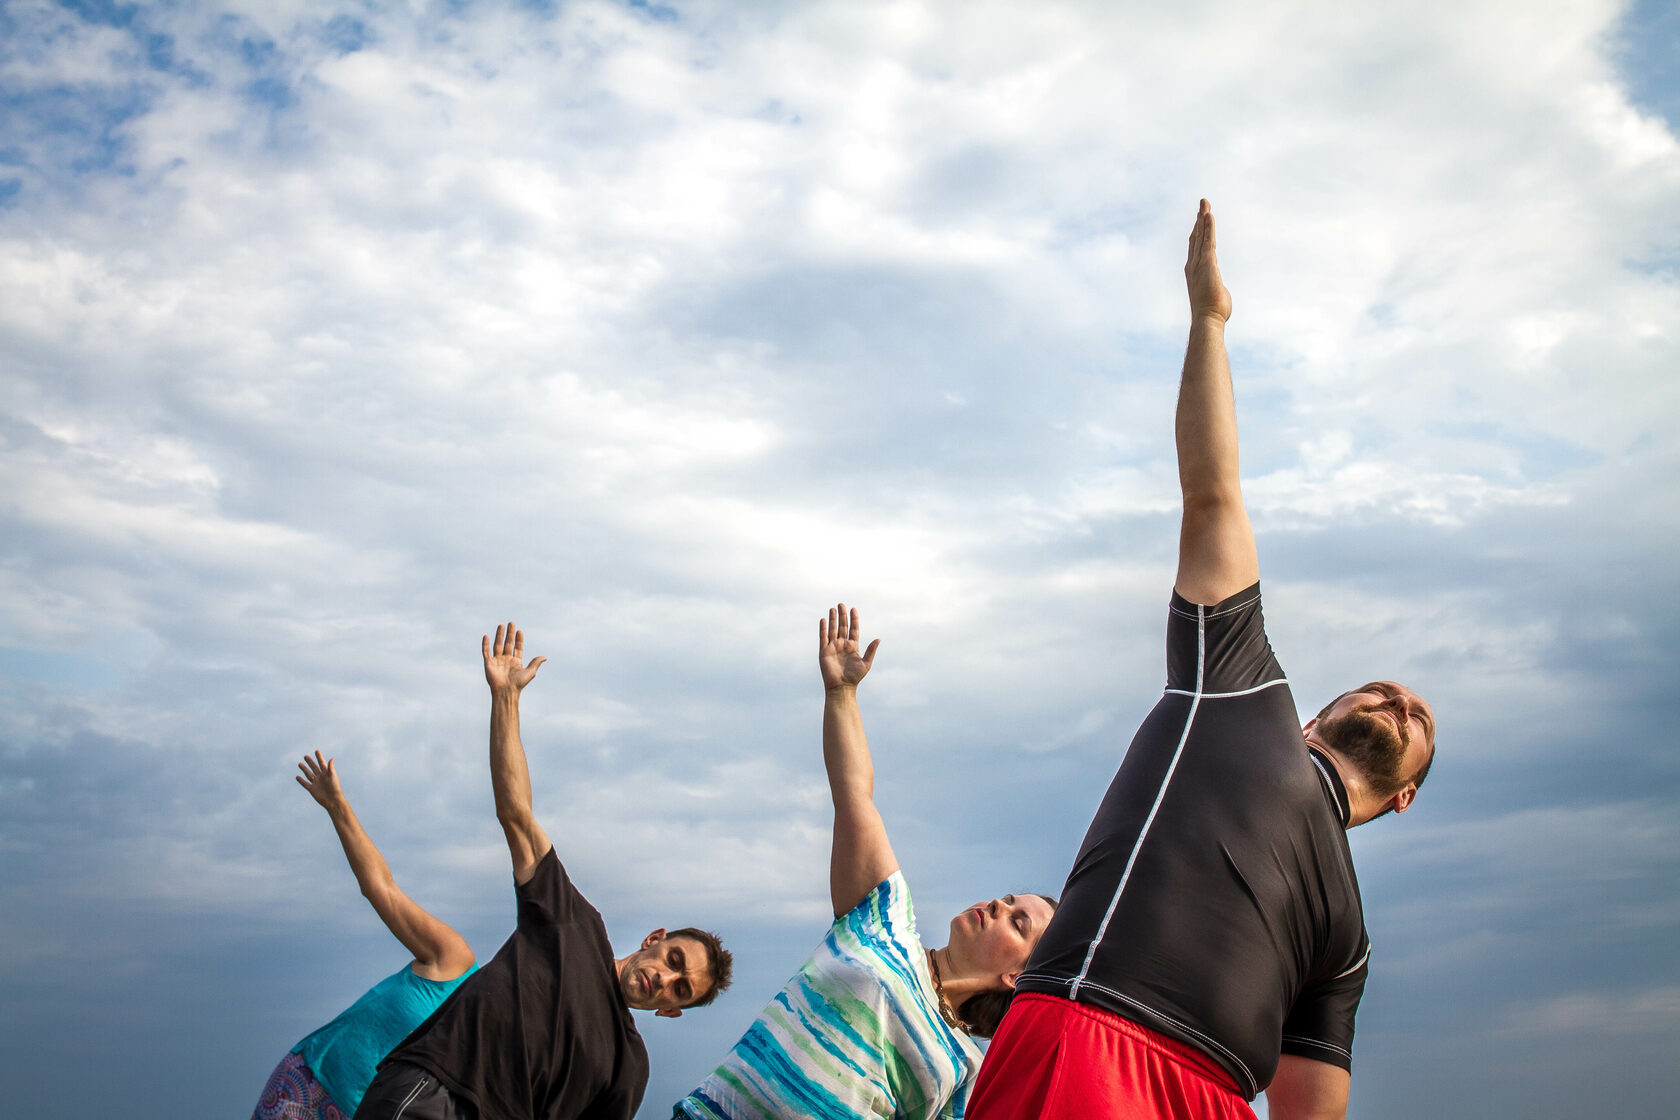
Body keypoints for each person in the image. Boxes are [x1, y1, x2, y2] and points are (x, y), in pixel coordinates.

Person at [966, 201, 1438, 1120]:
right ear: (1312, 720)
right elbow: (1213, 497)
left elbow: (1310, 1106)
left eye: (1419, 719)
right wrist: (1210, 322)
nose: (1401, 700)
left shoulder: (1347, 939)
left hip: (1213, 1099)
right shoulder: (1239, 691)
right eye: (1379, 689)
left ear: (1406, 797)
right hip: (1088, 1038)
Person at [675, 604, 1058, 1120]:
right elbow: (854, 796)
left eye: (1017, 922)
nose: (995, 904)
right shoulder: (885, 919)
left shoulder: (966, 1070)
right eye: (1007, 898)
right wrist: (842, 695)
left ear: (1018, 976)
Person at [356, 622, 734, 1120]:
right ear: (655, 938)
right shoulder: (575, 925)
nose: (664, 978)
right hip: (431, 1094)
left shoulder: (628, 1068)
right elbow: (516, 814)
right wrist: (506, 699)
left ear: (670, 1011)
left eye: (679, 989)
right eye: (675, 960)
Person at [252, 751, 479, 1120]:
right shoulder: (453, 960)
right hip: (308, 1084)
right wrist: (337, 805)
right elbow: (381, 888)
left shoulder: (485, 1060)